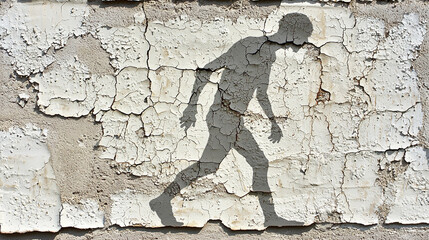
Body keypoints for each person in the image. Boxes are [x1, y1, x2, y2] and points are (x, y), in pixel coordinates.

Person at [150, 13, 313, 227]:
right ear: (292, 32)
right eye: (303, 36)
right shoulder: (248, 45)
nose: (304, 42)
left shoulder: (269, 56)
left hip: (235, 120)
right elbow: (206, 70)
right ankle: (163, 200)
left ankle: (270, 216)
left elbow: (260, 93)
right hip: (223, 117)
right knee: (209, 166)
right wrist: (191, 108)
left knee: (258, 163)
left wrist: (273, 121)